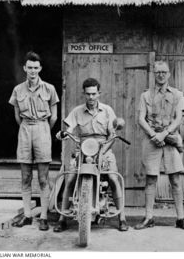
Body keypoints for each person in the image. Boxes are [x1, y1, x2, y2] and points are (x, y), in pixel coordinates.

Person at [53, 78, 129, 232]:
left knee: (114, 178)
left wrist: (103, 150)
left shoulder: (107, 110)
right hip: (82, 148)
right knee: (71, 178)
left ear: (99, 93)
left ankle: (122, 218)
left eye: (94, 94)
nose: (91, 97)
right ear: (84, 94)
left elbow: (112, 135)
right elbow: (68, 128)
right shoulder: (77, 111)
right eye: (88, 94)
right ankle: (62, 219)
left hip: (103, 148)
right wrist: (63, 133)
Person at [135, 61, 184, 230]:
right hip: (152, 139)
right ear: (154, 74)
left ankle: (180, 218)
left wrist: (164, 134)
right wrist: (154, 135)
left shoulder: (177, 95)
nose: (161, 75)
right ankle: (149, 217)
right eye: (158, 72)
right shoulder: (145, 95)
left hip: (170, 138)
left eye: (164, 72)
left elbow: (178, 119)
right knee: (151, 179)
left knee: (175, 179)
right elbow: (141, 119)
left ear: (169, 74)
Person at [9, 51, 59, 231]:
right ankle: (28, 216)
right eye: (29, 67)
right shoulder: (18, 90)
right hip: (24, 129)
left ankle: (44, 216)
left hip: (42, 128)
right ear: (24, 68)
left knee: (43, 178)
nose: (32, 71)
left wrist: (43, 129)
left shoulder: (49, 89)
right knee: (25, 176)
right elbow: (16, 116)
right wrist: (27, 127)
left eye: (35, 68)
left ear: (40, 69)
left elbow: (54, 117)